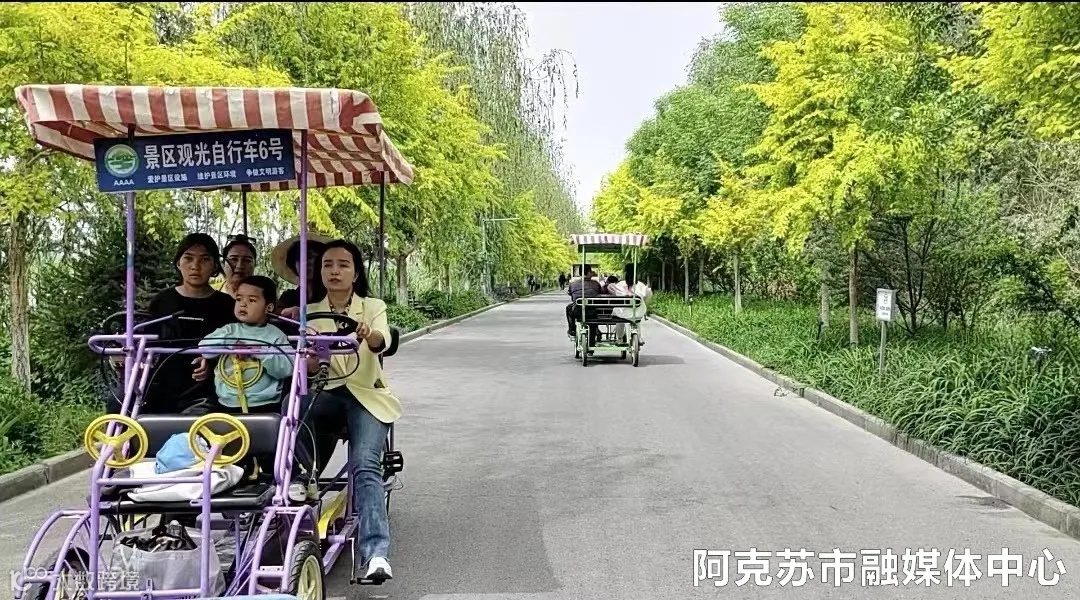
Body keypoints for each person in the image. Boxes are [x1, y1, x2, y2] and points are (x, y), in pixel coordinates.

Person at [293, 239, 398, 582]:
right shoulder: (310, 311)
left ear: (355, 273)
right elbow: (308, 369)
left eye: (343, 265)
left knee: (365, 464)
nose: (334, 271)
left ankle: (376, 554)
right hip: (328, 393)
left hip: (367, 396)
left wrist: (369, 335)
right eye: (327, 265)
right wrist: (311, 358)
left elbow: (382, 341)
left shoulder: (372, 306)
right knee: (294, 418)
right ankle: (298, 497)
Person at [141, 233, 237, 414]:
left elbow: (237, 347)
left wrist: (212, 362)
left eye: (204, 259)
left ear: (215, 265)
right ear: (178, 263)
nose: (195, 266)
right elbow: (147, 344)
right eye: (188, 258)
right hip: (163, 385)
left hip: (210, 391)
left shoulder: (227, 305)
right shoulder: (162, 301)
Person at [185, 275, 293, 416]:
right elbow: (204, 348)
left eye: (251, 300)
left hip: (264, 404)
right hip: (227, 403)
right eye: (239, 299)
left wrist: (259, 352)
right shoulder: (229, 330)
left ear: (269, 307)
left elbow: (288, 368)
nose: (243, 304)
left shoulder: (276, 335)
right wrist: (230, 344)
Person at [271, 229, 331, 320]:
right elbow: (274, 313)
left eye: (314, 258)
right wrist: (286, 311)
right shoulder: (289, 297)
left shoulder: (334, 295)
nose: (308, 263)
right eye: (302, 258)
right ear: (293, 264)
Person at [608, 263, 653, 346]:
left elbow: (614, 294)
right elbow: (648, 295)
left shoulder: (620, 285)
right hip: (638, 312)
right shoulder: (641, 285)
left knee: (619, 320)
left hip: (622, 312)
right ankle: (639, 337)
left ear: (625, 273)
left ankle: (619, 339)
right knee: (636, 319)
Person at [216, 235, 258, 299]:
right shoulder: (210, 295)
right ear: (223, 263)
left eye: (247, 260)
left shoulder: (265, 297)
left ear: (255, 265)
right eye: (234, 259)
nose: (239, 266)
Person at [565, 266, 601, 339]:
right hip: (594, 311)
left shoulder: (573, 284)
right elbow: (600, 292)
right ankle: (596, 329)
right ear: (589, 272)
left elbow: (571, 294)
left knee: (569, 308)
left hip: (578, 310)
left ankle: (572, 329)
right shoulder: (596, 283)